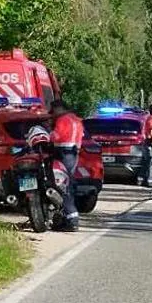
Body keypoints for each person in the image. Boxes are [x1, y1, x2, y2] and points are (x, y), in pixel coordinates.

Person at [50, 99, 85, 232]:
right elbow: (80, 137)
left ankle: (71, 219)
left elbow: (57, 135)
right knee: (68, 183)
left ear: (59, 108)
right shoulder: (76, 119)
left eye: (54, 110)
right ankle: (69, 217)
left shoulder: (62, 120)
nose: (53, 113)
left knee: (63, 185)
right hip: (73, 152)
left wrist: (47, 135)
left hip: (63, 152)